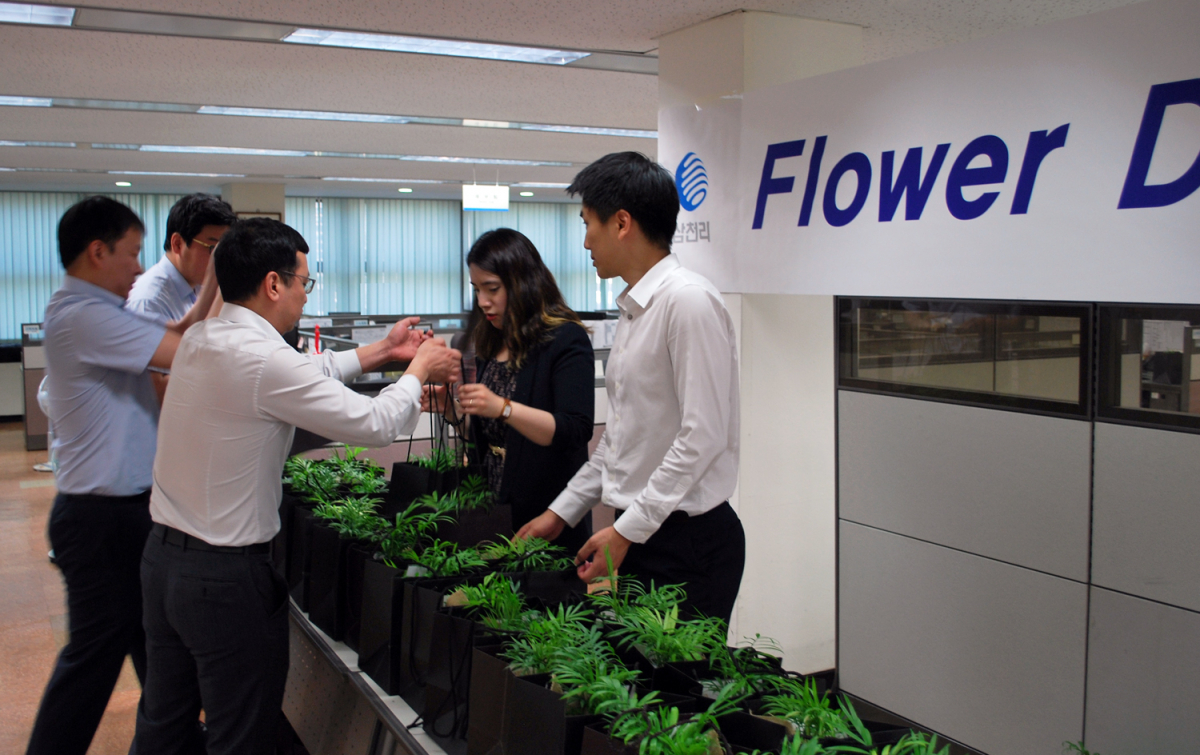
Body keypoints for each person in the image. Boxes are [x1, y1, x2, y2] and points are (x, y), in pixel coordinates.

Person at [134, 217, 461, 754]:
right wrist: (419, 367)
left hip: (164, 563)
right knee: (241, 733)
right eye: (304, 283)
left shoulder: (202, 339)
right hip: (224, 580)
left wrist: (383, 351)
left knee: (163, 724)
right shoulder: (262, 358)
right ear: (273, 284)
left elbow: (306, 372)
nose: (306, 297)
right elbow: (374, 424)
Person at [517, 152, 745, 625]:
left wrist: (625, 531)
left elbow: (702, 437)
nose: (585, 242)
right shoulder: (636, 309)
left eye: (588, 224)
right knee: (636, 691)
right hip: (644, 533)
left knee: (673, 694)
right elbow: (620, 444)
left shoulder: (688, 303)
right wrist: (560, 512)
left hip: (688, 542)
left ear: (622, 223)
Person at [28, 196, 214, 755]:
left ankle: (172, 739)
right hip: (97, 517)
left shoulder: (100, 311)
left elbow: (174, 338)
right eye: (131, 254)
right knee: (95, 652)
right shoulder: (84, 315)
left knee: (152, 642)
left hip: (124, 511)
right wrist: (223, 292)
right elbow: (182, 352)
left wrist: (212, 291)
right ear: (96, 251)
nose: (139, 267)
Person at [425, 228, 596, 552]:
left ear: (523, 283)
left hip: (544, 517)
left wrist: (503, 407)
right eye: (477, 289)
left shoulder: (565, 339)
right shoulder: (493, 337)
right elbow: (491, 434)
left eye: (492, 289)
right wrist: (453, 409)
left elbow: (574, 430)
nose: (482, 302)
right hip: (492, 509)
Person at [127, 193, 236, 402]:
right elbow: (155, 390)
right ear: (178, 244)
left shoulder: (197, 286)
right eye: (212, 248)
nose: (219, 260)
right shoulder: (149, 300)